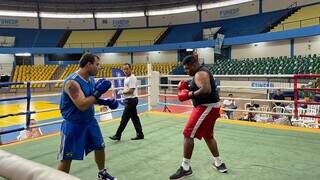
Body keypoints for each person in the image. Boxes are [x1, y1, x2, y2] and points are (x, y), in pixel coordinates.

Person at [57, 53, 118, 180]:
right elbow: (82, 104)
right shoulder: (72, 83)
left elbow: (90, 99)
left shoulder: (90, 79)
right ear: (88, 64)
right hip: (73, 124)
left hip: (90, 121)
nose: (99, 67)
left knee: (100, 147)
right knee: (67, 158)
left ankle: (102, 173)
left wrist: (105, 101)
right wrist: (98, 93)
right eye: (97, 64)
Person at [170, 55, 228, 180]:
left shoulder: (200, 74)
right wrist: (188, 88)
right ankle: (219, 163)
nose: (186, 71)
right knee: (208, 135)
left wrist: (189, 94)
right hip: (210, 106)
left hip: (206, 107)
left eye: (187, 68)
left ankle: (185, 168)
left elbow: (206, 90)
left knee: (187, 134)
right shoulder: (200, 72)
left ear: (194, 64)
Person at [109, 63, 144, 141]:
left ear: (131, 69)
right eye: (124, 69)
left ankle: (118, 135)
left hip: (131, 100)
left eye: (127, 69)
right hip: (130, 100)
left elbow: (131, 91)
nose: (125, 70)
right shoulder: (126, 78)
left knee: (124, 119)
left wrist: (122, 92)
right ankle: (140, 134)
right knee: (135, 118)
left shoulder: (132, 78)